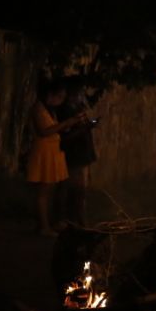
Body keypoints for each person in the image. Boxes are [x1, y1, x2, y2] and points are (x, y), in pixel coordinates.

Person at [26, 80, 87, 235]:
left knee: (48, 191)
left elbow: (54, 130)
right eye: (59, 96)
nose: (61, 101)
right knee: (43, 192)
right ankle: (43, 227)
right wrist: (68, 122)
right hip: (44, 152)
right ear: (49, 95)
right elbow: (45, 131)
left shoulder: (48, 109)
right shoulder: (38, 109)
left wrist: (71, 125)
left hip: (52, 151)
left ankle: (44, 224)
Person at [57, 77, 99, 227]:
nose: (82, 95)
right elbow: (65, 135)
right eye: (80, 92)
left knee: (78, 190)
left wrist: (89, 124)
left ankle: (77, 221)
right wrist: (85, 128)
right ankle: (68, 220)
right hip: (74, 154)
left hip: (81, 154)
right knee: (71, 188)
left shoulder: (77, 109)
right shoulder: (65, 111)